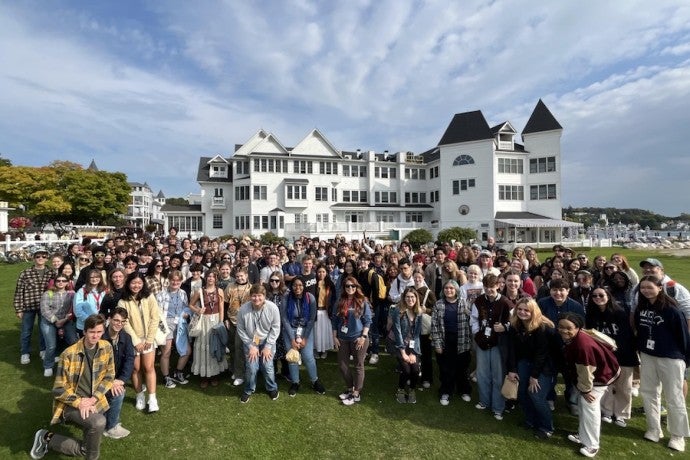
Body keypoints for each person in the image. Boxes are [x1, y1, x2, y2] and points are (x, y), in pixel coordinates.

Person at [30, 314, 114, 460]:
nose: (95, 336)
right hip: (71, 404)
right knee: (99, 422)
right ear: (84, 332)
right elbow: (58, 389)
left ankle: (45, 437)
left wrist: (93, 399)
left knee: (86, 447)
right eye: (92, 332)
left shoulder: (106, 347)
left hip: (93, 400)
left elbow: (109, 376)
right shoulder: (68, 354)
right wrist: (80, 402)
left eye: (99, 332)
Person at [633, 275, 690, 452]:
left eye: (650, 287)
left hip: (671, 358)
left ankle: (677, 435)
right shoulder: (641, 308)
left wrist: (685, 360)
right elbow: (640, 331)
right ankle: (653, 429)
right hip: (648, 355)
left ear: (659, 288)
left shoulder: (672, 310)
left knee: (674, 397)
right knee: (649, 393)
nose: (646, 290)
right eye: (643, 288)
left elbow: (683, 336)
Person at [560, 313, 620, 458]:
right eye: (561, 327)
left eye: (569, 328)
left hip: (598, 378)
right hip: (594, 375)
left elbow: (586, 372)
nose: (564, 330)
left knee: (590, 408)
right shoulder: (577, 337)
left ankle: (592, 445)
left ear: (578, 328)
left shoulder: (582, 346)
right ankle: (583, 435)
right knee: (583, 406)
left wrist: (586, 391)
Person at [585, 287, 638, 427]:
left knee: (623, 386)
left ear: (608, 296)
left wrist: (616, 347)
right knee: (606, 384)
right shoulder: (591, 314)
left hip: (623, 353)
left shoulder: (619, 312)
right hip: (603, 355)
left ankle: (621, 414)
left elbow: (626, 335)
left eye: (601, 295)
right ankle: (606, 411)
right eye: (594, 296)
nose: (598, 298)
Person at [507, 298, 556, 440]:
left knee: (536, 395)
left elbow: (542, 354)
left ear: (533, 311)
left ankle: (547, 427)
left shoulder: (543, 327)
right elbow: (512, 350)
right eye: (520, 309)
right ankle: (530, 420)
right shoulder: (515, 325)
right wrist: (512, 369)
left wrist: (534, 376)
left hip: (544, 366)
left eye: (526, 310)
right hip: (524, 362)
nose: (522, 312)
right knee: (522, 393)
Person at [470, 274, 512, 420]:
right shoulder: (479, 300)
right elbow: (474, 319)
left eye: (491, 288)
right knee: (482, 374)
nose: (489, 290)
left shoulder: (505, 303)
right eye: (486, 288)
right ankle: (484, 401)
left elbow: (514, 322)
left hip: (498, 344)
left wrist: (505, 327)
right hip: (482, 342)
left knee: (498, 377)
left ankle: (498, 407)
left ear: (498, 286)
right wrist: (476, 334)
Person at [118, 272, 160, 412]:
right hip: (132, 340)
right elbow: (124, 322)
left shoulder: (149, 297)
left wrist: (149, 339)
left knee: (148, 367)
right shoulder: (123, 301)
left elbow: (155, 318)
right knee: (135, 369)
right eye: (133, 283)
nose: (136, 286)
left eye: (139, 283)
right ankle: (139, 395)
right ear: (128, 283)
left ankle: (152, 398)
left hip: (148, 339)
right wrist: (136, 341)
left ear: (143, 284)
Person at [281, 278, 326, 396]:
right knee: (293, 357)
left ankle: (314, 380)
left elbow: (311, 319)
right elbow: (284, 318)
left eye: (300, 285)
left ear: (304, 286)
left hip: (306, 330)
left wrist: (305, 338)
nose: (298, 288)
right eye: (295, 285)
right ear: (291, 286)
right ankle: (295, 382)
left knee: (308, 357)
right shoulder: (286, 297)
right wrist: (292, 338)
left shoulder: (310, 297)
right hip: (290, 329)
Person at [236, 284, 282, 403]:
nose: (256, 299)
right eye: (254, 296)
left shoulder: (273, 308)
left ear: (264, 296)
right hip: (251, 341)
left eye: (259, 296)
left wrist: (268, 346)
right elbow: (240, 329)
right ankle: (248, 389)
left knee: (267, 366)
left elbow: (276, 328)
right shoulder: (243, 309)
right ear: (250, 296)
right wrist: (251, 346)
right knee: (251, 367)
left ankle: (271, 388)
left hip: (267, 341)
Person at [331, 276, 372, 406]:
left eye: (352, 286)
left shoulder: (362, 301)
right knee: (343, 366)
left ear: (356, 287)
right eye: (347, 286)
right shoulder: (339, 301)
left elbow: (367, 321)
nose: (350, 288)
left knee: (359, 365)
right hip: (342, 338)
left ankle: (356, 393)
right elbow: (334, 320)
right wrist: (334, 337)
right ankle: (350, 389)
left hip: (358, 339)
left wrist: (363, 337)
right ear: (344, 287)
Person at [431, 279, 472, 406]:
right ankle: (445, 392)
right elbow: (434, 326)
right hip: (445, 340)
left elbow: (471, 323)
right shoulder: (438, 304)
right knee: (446, 369)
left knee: (462, 367)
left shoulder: (464, 303)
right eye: (446, 288)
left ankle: (464, 390)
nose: (449, 290)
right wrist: (437, 344)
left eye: (451, 288)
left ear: (456, 290)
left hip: (462, 340)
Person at [14, 249, 54, 365]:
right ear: (33, 258)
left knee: (43, 330)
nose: (40, 258)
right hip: (28, 306)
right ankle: (25, 352)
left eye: (43, 256)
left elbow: (54, 289)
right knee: (26, 331)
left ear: (47, 258)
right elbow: (18, 292)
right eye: (38, 256)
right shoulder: (25, 273)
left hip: (45, 307)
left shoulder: (51, 273)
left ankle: (42, 350)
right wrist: (19, 308)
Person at [189, 269, 227, 388]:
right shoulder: (199, 291)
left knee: (215, 345)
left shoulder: (219, 291)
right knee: (204, 346)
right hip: (204, 321)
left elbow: (221, 307)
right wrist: (198, 310)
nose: (211, 278)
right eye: (209, 276)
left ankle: (215, 374)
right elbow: (190, 305)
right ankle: (204, 376)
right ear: (205, 278)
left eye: (213, 276)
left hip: (215, 320)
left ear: (216, 278)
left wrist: (220, 323)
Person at [102, 307, 135, 439]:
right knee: (117, 392)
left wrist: (121, 380)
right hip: (100, 380)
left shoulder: (126, 338)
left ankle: (111, 426)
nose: (118, 324)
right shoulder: (100, 337)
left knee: (119, 391)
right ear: (109, 319)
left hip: (116, 380)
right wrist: (110, 382)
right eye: (116, 320)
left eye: (122, 322)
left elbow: (129, 360)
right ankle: (110, 426)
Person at [156, 270, 191, 388]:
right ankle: (166, 377)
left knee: (187, 351)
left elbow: (186, 307)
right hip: (166, 324)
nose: (175, 282)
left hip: (180, 323)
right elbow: (157, 314)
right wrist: (162, 329)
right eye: (173, 280)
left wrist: (186, 314)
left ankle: (178, 372)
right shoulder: (161, 294)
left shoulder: (183, 293)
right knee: (166, 352)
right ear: (169, 280)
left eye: (178, 280)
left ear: (181, 281)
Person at [39, 274, 78, 377]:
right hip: (49, 321)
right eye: (58, 280)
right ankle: (48, 365)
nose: (61, 282)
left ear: (67, 282)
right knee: (51, 345)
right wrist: (56, 321)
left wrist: (65, 320)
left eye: (63, 280)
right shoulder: (48, 293)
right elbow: (44, 310)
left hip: (66, 321)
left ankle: (73, 364)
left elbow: (73, 309)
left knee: (74, 342)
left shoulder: (71, 294)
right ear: (55, 282)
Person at [390, 287, 423, 403]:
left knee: (415, 370)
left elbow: (417, 334)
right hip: (400, 345)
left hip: (413, 346)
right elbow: (398, 332)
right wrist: (403, 352)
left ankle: (412, 390)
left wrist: (413, 353)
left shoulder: (419, 313)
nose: (410, 299)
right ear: (404, 298)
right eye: (408, 297)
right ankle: (400, 390)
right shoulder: (398, 311)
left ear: (416, 298)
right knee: (406, 370)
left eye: (412, 297)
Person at [225, 267, 253, 386]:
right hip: (232, 320)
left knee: (241, 348)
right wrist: (225, 319)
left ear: (246, 275)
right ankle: (235, 370)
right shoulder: (230, 287)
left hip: (246, 323)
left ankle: (241, 374)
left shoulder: (251, 288)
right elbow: (225, 304)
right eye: (237, 276)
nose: (239, 278)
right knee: (233, 348)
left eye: (241, 276)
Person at [74, 269, 107, 336]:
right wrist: (90, 321)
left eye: (97, 277)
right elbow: (77, 310)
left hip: (99, 325)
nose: (94, 279)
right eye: (92, 277)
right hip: (85, 326)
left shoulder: (103, 291)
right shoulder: (82, 291)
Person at [314, 263, 337, 358]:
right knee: (316, 332)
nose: (321, 273)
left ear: (326, 273)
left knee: (324, 332)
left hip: (326, 311)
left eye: (323, 271)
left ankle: (324, 350)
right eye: (319, 272)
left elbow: (334, 298)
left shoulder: (330, 284)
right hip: (316, 311)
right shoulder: (314, 283)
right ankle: (315, 349)